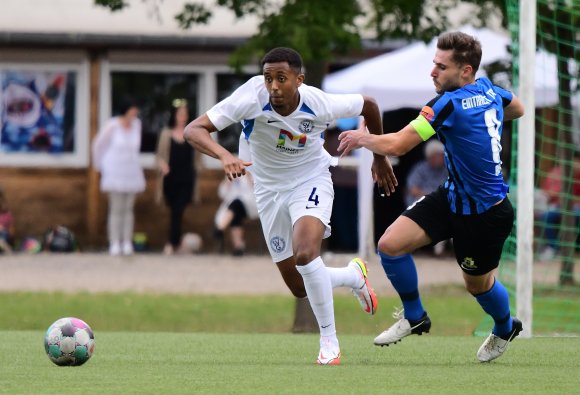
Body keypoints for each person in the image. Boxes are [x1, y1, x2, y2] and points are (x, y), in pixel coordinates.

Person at [184, 47, 397, 365]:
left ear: (299, 79)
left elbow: (370, 104)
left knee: (306, 253)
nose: (273, 86)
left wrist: (379, 156)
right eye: (268, 78)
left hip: (310, 181)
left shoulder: (319, 103)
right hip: (268, 192)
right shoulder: (251, 97)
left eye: (281, 78)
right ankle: (353, 276)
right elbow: (193, 130)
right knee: (299, 286)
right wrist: (225, 155)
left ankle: (329, 343)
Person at [338, 31, 525, 362]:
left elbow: (397, 145)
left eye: (441, 66)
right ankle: (415, 316)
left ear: (465, 71)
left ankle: (505, 324)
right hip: (450, 197)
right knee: (390, 245)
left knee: (477, 285)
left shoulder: (447, 104)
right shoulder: (490, 91)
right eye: (433, 64)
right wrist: (486, 122)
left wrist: (362, 139)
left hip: (485, 214)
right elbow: (519, 108)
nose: (432, 72)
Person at [92, 98, 145, 256]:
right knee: (116, 208)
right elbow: (98, 145)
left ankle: (127, 242)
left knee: (128, 209)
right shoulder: (112, 125)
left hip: (131, 171)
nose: (135, 113)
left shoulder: (137, 125)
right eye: (132, 109)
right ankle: (114, 242)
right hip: (115, 171)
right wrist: (100, 166)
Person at [156, 99, 202, 255]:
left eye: (185, 114)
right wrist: (162, 165)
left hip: (187, 179)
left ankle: (172, 243)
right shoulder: (166, 134)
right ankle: (175, 243)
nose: (183, 116)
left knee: (178, 210)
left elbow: (198, 158)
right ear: (174, 115)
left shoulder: (193, 133)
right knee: (174, 211)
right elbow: (159, 156)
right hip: (170, 179)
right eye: (180, 114)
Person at [405, 139, 449, 256]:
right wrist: (430, 197)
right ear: (431, 156)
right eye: (440, 155)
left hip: (442, 202)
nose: (442, 157)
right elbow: (413, 189)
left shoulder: (447, 169)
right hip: (423, 201)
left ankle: (441, 250)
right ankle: (411, 246)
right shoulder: (420, 168)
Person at [538, 152, 580, 260]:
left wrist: (570, 201)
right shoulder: (556, 172)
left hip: (575, 207)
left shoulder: (577, 175)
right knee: (546, 216)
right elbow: (547, 192)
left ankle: (573, 249)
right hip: (558, 207)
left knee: (575, 212)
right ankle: (553, 248)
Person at [214, 172, 258, 256]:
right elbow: (222, 194)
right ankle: (238, 247)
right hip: (234, 208)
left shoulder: (251, 174)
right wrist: (228, 182)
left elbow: (257, 192)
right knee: (235, 212)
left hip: (251, 205)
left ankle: (219, 229)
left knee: (236, 204)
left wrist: (250, 179)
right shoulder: (231, 175)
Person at [0, 186, 15, 254]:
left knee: (4, 233)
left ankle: (4, 245)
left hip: (4, 235)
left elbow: (11, 230)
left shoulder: (7, 215)